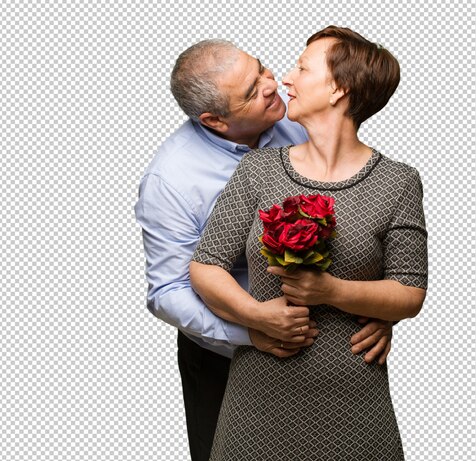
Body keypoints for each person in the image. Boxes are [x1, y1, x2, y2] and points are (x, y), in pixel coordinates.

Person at [135, 38, 397, 461]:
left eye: (261, 69)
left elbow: (364, 229)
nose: (273, 85)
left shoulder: (297, 121)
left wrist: (376, 312)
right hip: (224, 351)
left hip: (327, 344)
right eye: (251, 92)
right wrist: (253, 328)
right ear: (214, 120)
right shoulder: (172, 179)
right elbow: (168, 291)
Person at [189, 26, 427, 460]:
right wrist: (257, 316)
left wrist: (334, 292)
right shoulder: (258, 170)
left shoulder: (398, 182)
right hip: (255, 409)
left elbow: (409, 293)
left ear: (339, 88)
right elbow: (205, 266)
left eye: (302, 67)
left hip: (356, 411)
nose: (287, 78)